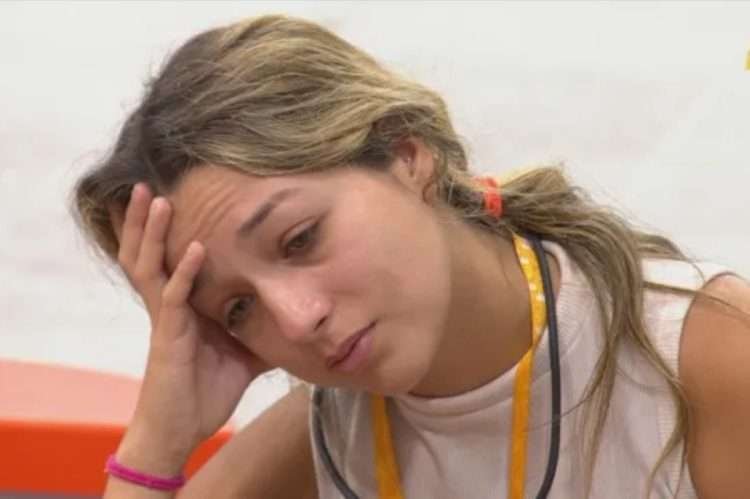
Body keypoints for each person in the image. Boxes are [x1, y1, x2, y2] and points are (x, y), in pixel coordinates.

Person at [72, 14, 750, 499]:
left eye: (300, 239)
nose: (298, 319)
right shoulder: (333, 424)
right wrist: (158, 439)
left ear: (406, 153)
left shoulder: (702, 356)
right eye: (238, 308)